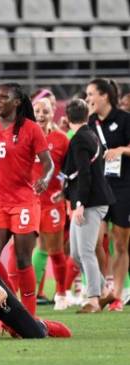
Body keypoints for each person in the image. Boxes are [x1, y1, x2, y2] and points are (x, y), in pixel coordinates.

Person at [0, 83, 54, 315]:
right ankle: (10, 297)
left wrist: (44, 178)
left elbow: (48, 163)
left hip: (24, 201)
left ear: (16, 102)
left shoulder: (31, 129)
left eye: (3, 98)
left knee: (24, 259)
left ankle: (30, 315)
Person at [62, 99, 116, 313]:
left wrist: (80, 203)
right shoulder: (91, 134)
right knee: (76, 253)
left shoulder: (79, 140)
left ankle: (93, 299)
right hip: (92, 200)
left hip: (90, 202)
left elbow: (84, 174)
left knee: (84, 251)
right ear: (87, 115)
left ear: (66, 118)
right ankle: (103, 289)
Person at [87, 78, 130, 311]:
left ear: (104, 96)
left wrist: (121, 150)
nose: (88, 99)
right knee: (94, 242)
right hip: (99, 189)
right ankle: (105, 288)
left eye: (91, 94)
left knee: (121, 243)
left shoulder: (125, 120)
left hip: (124, 187)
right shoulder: (89, 122)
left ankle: (118, 296)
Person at [27, 98, 69, 309]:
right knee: (32, 249)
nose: (41, 115)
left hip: (52, 203)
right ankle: (29, 294)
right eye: (37, 111)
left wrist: (64, 193)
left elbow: (71, 171)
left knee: (55, 250)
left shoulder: (61, 139)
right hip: (29, 202)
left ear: (53, 112)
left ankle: (61, 292)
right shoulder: (25, 137)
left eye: (45, 111)